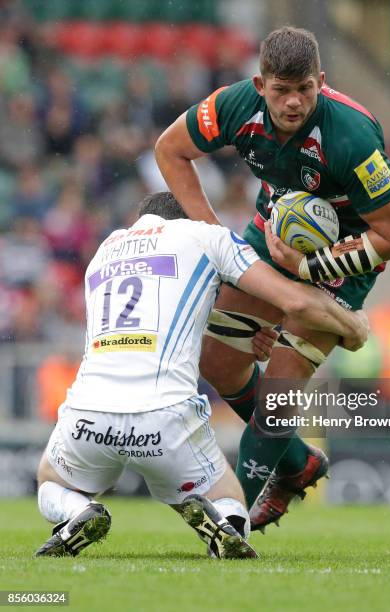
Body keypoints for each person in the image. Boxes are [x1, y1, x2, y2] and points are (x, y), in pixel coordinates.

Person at [155, 26, 390, 529]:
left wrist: (308, 271)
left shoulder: (351, 135)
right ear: (259, 85)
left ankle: (233, 525)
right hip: (272, 232)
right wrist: (218, 242)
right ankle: (296, 463)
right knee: (218, 361)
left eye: (305, 90)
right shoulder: (234, 106)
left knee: (278, 394)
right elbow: (170, 149)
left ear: (321, 81)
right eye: (281, 91)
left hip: (347, 256)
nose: (294, 103)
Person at [35, 192, 367, 559]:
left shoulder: (104, 251)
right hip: (164, 419)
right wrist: (352, 325)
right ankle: (225, 524)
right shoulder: (205, 236)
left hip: (88, 416)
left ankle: (78, 512)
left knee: (50, 482)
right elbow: (295, 301)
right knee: (230, 497)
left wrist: (248, 330)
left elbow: (161, 309)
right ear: (189, 215)